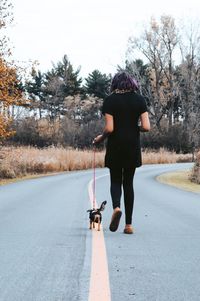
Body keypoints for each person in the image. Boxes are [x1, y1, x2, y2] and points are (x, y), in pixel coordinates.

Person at [93, 71, 150, 234]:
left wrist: (100, 138)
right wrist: (133, 128)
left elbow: (109, 128)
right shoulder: (140, 100)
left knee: (116, 180)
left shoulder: (110, 100)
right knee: (129, 183)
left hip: (116, 145)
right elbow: (146, 127)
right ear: (131, 83)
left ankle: (116, 207)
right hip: (132, 146)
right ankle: (128, 225)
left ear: (115, 84)